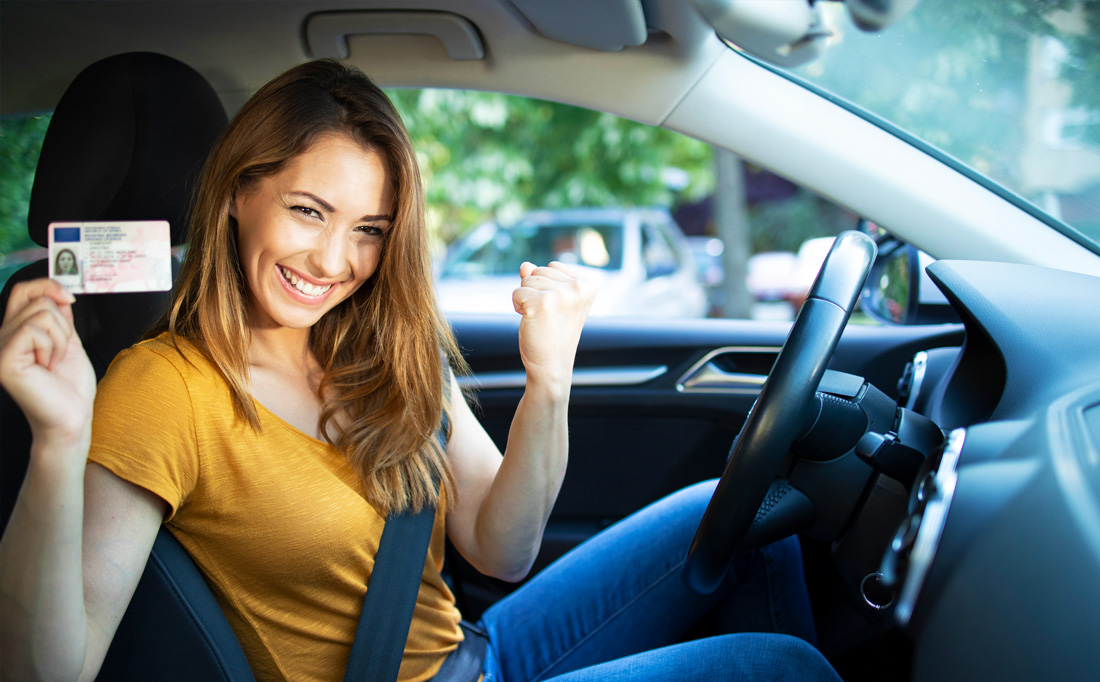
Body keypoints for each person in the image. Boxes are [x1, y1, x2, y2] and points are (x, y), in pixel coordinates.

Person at [0, 60, 841, 682]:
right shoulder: (161, 387)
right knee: (783, 667)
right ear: (234, 195)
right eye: (307, 211)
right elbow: (53, 671)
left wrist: (548, 385)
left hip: (481, 650)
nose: (335, 261)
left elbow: (501, 549)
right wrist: (56, 441)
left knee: (750, 517)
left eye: (368, 228)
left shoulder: (374, 344)